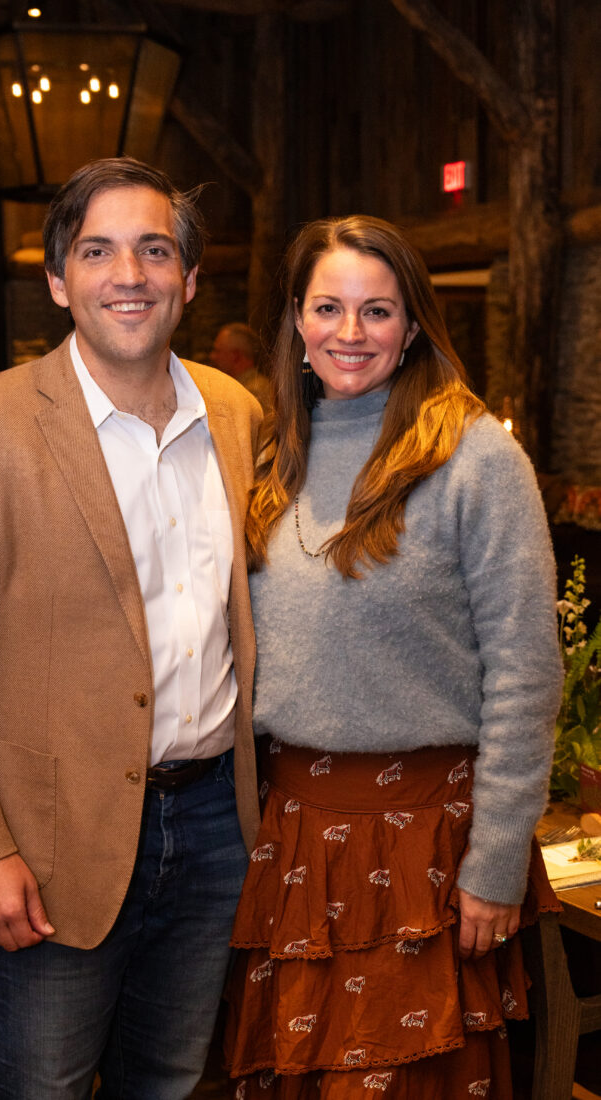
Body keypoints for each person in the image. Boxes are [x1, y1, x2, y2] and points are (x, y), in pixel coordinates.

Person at [0, 157, 263, 1100]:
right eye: (97, 251)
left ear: (187, 277)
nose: (127, 274)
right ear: (58, 281)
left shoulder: (238, 413)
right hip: (46, 841)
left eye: (153, 250)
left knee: (170, 1082)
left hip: (217, 823)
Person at [223, 214, 563, 1098]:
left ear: (412, 325)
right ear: (295, 321)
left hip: (424, 845)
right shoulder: (269, 453)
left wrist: (493, 865)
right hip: (294, 836)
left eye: (376, 311)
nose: (348, 332)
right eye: (327, 306)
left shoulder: (474, 457)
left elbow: (525, 675)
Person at [210, 322, 272, 413]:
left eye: (218, 351)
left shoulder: (253, 392)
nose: (212, 356)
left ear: (235, 356)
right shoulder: (241, 387)